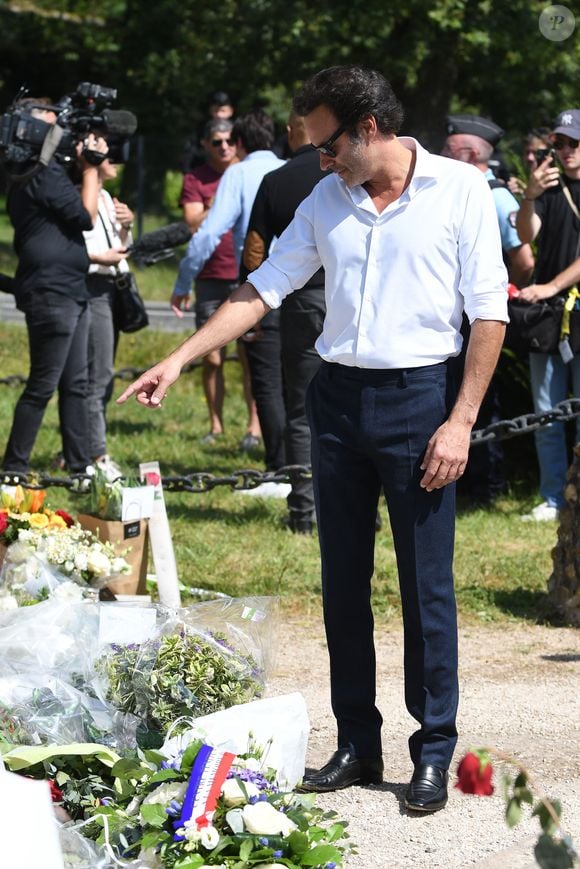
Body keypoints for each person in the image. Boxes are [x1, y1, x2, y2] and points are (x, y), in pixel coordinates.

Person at [117, 65, 508, 813]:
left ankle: (432, 749)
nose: (320, 164)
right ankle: (358, 743)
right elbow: (263, 289)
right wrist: (176, 357)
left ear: (367, 128)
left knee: (427, 587)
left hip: (421, 400)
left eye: (327, 147)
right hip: (335, 402)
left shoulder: (458, 190)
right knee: (342, 583)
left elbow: (487, 312)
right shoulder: (328, 198)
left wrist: (460, 420)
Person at [172, 108, 285, 460]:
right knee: (287, 375)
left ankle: (276, 461)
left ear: (238, 143)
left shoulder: (237, 174)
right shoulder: (289, 169)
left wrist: (182, 280)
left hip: (258, 283)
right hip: (302, 285)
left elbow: (208, 233)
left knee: (264, 375)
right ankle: (290, 455)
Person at [2, 99, 107, 476]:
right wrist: (91, 168)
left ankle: (78, 467)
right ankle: (13, 468)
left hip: (68, 289)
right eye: (50, 126)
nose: (58, 133)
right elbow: (85, 216)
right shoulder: (40, 174)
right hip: (53, 293)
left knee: (75, 384)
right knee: (42, 385)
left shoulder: (37, 172)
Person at [240, 111, 328, 532]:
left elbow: (254, 250)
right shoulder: (349, 173)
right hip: (355, 297)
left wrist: (256, 307)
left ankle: (304, 512)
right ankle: (360, 508)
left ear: (294, 133)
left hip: (304, 300)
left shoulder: (276, 180)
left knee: (301, 408)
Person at [443, 115, 534, 505]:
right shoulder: (452, 190)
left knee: (483, 397)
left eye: (447, 150)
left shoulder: (495, 196)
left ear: (466, 153)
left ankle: (486, 486)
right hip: (451, 313)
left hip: (481, 315)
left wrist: (500, 292)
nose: (440, 156)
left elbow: (524, 259)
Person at [516, 109, 580, 521]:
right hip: (549, 317)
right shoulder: (549, 190)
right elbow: (525, 236)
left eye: (573, 143)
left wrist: (551, 286)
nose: (565, 151)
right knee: (546, 411)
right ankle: (553, 497)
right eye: (559, 144)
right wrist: (530, 196)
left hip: (569, 305)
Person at [82, 157, 134, 480]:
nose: (117, 161)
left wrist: (125, 226)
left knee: (102, 371)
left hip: (109, 288)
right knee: (97, 374)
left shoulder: (104, 196)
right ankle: (96, 454)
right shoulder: (85, 195)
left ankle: (82, 449)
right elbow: (78, 248)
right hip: (92, 286)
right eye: (110, 154)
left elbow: (120, 247)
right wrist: (99, 257)